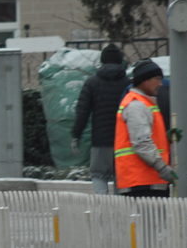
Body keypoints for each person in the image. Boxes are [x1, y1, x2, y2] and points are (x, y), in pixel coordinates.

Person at [70, 45, 130, 195]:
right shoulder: (129, 84)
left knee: (98, 175)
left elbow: (82, 112)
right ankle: (121, 209)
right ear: (120, 61)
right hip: (124, 142)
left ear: (102, 61)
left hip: (100, 141)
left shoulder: (92, 83)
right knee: (121, 177)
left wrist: (76, 135)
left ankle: (103, 204)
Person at [113, 59, 176, 198]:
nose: (160, 84)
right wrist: (162, 168)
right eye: (157, 79)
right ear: (144, 81)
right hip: (142, 182)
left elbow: (143, 138)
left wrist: (166, 138)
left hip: (144, 181)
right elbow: (141, 143)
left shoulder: (143, 103)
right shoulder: (137, 105)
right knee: (151, 220)